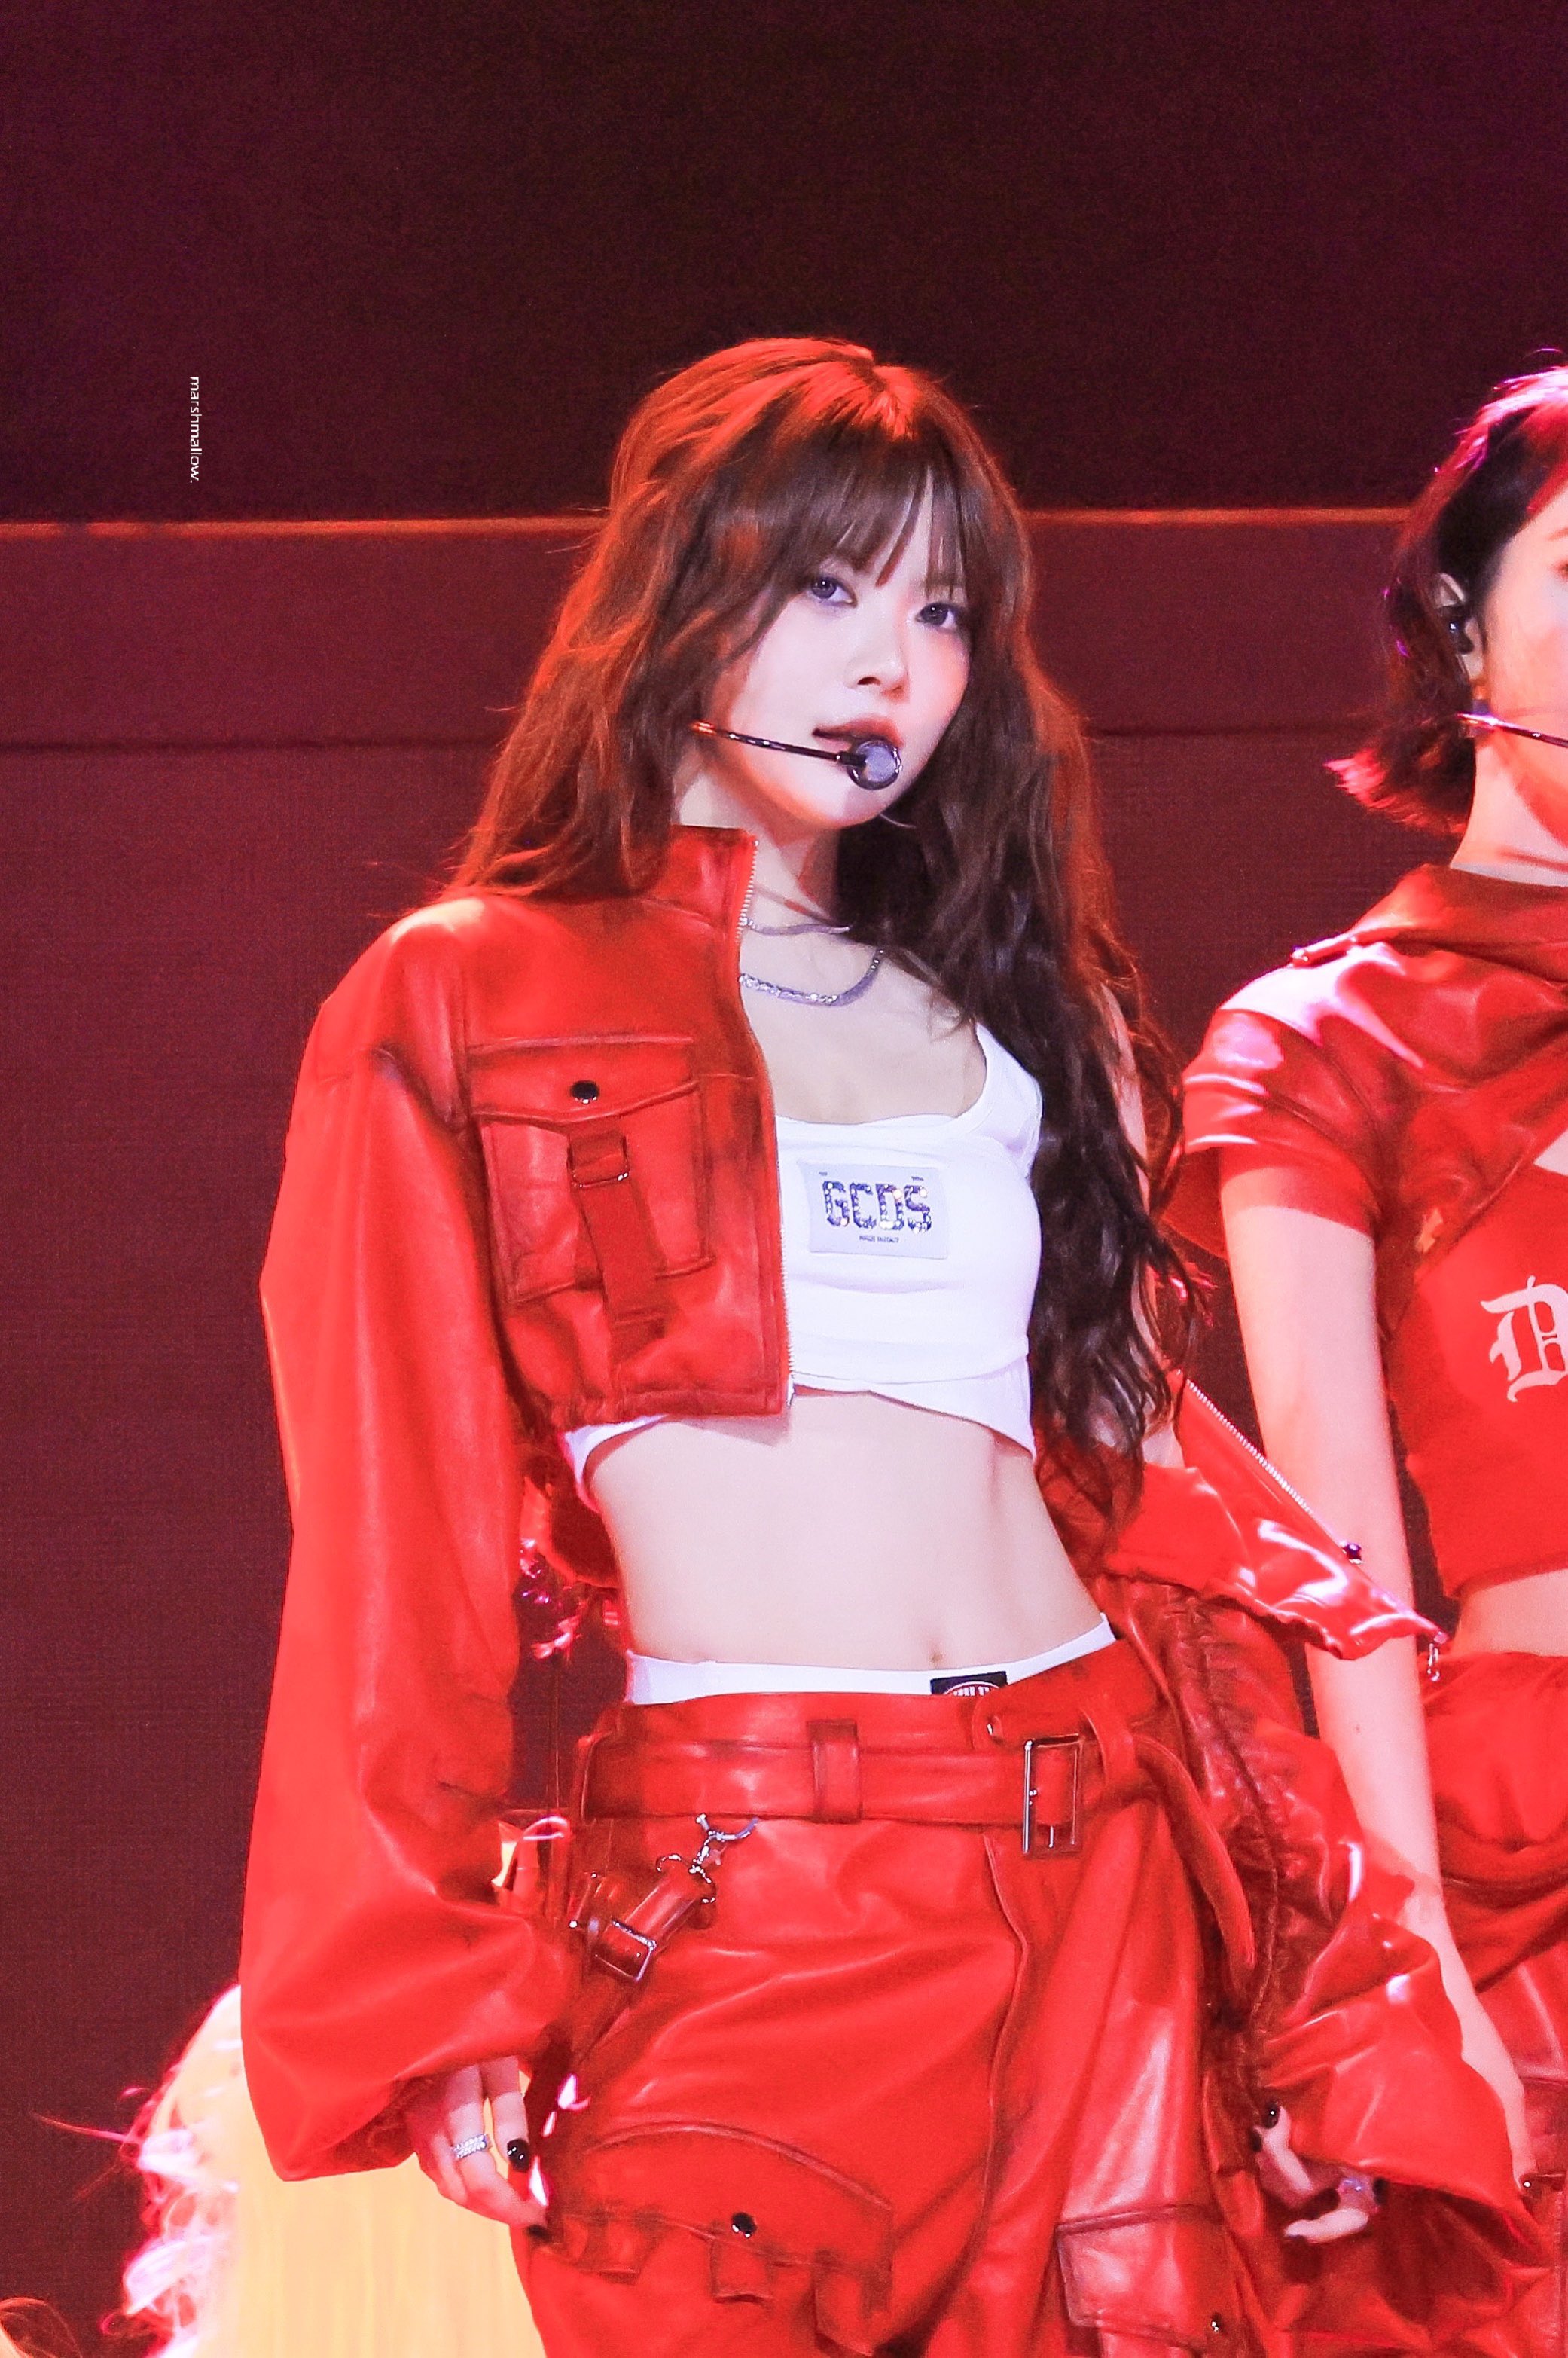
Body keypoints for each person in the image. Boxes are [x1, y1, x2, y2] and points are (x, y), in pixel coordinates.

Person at [239, 338, 1535, 2356]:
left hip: (1100, 1846)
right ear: (682, 595)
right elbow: (390, 1532)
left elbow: (1168, 1536)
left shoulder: (1031, 1023)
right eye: (829, 587)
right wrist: (427, 1980)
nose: (891, 667)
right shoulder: (465, 994)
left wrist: (1324, 1979)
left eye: (942, 614)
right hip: (752, 1878)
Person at [1176, 364, 1568, 2353]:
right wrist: (1398, 1963)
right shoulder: (1325, 1043)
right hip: (1525, 1841)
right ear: (1459, 626)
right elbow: (1329, 1554)